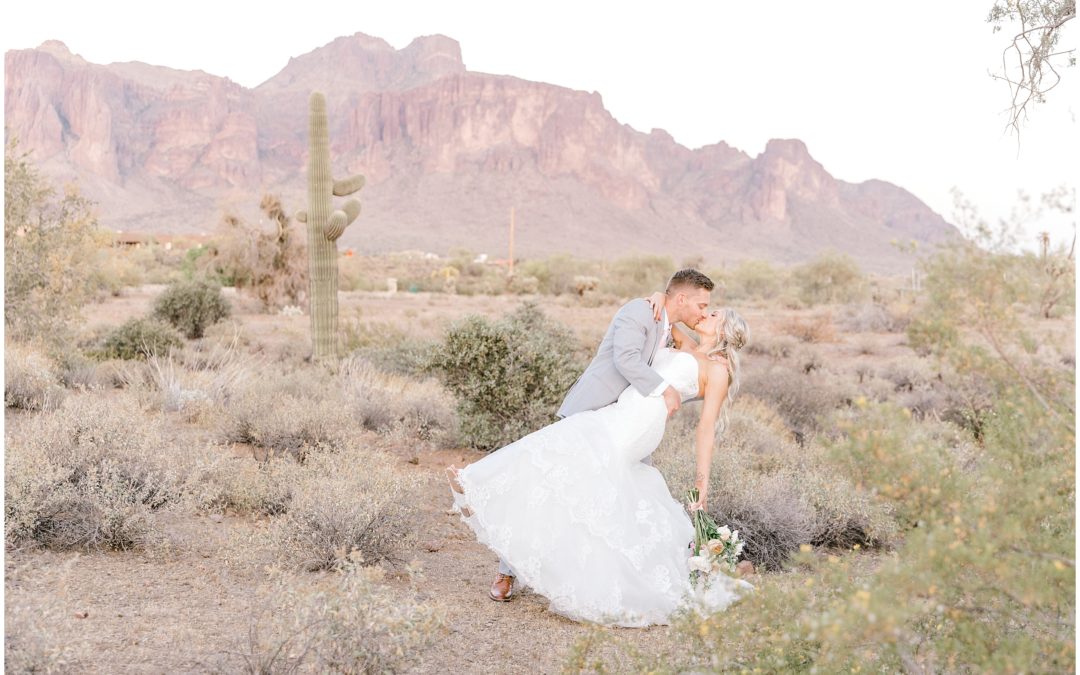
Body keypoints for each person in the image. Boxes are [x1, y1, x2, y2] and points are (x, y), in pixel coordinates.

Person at [447, 271, 753, 627]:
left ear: (725, 330)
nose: (705, 313)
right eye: (704, 307)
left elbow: (705, 431)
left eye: (712, 313)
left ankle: (476, 483)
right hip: (615, 408)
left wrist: (702, 482)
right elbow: (667, 312)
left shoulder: (717, 370)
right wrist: (656, 294)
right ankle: (486, 503)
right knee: (580, 481)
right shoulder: (684, 340)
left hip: (635, 422)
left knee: (561, 456)